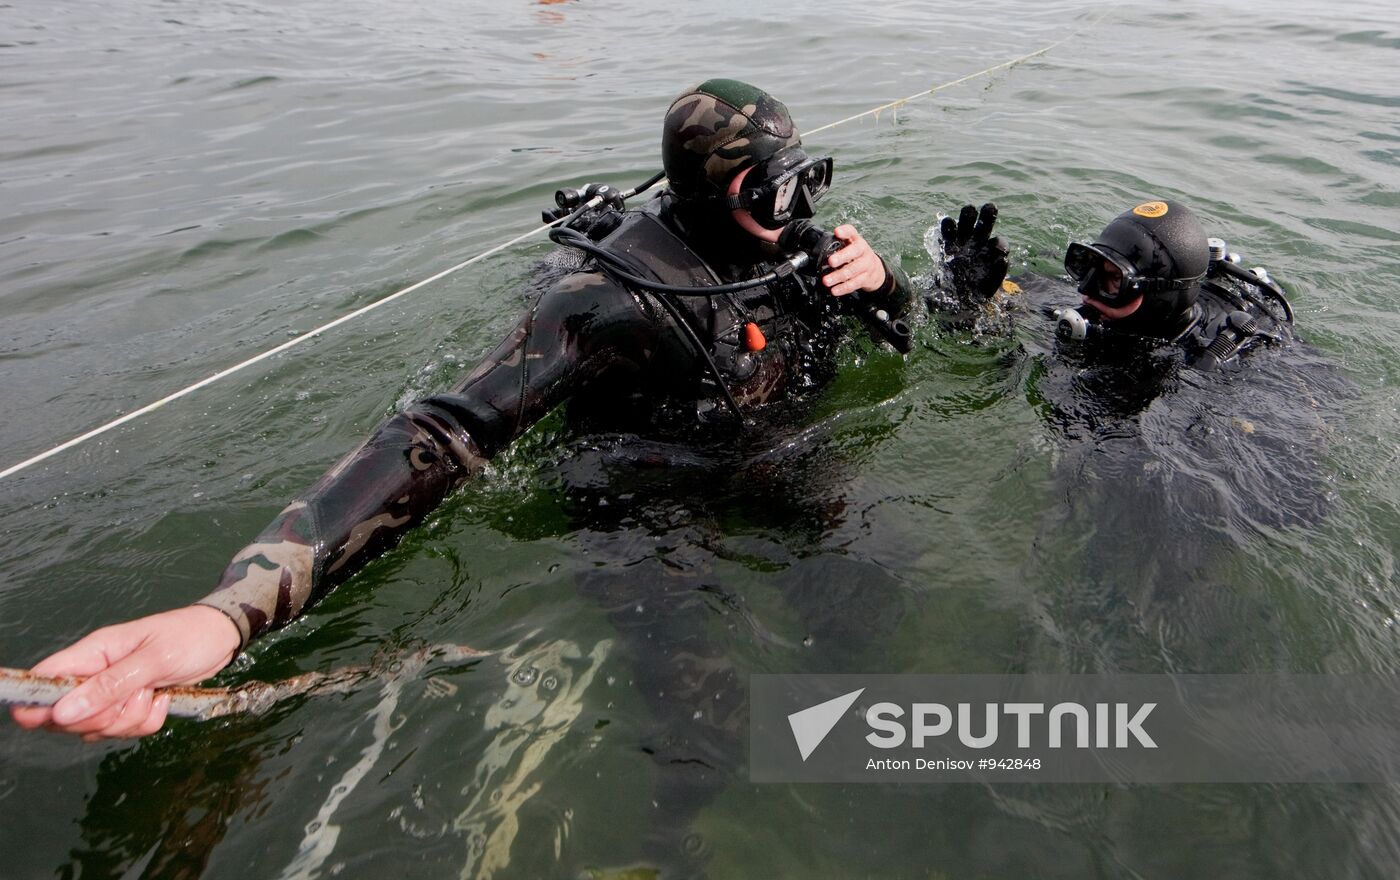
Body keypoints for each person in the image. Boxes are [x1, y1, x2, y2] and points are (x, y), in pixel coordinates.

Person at [11, 78, 935, 740]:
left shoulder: (794, 252)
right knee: (710, 721)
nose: (802, 206)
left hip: (773, 454)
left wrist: (885, 285)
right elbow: (443, 434)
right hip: (646, 503)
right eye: (774, 189)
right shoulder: (608, 305)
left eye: (809, 177)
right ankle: (677, 837)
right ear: (705, 195)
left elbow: (909, 337)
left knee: (877, 592)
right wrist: (233, 612)